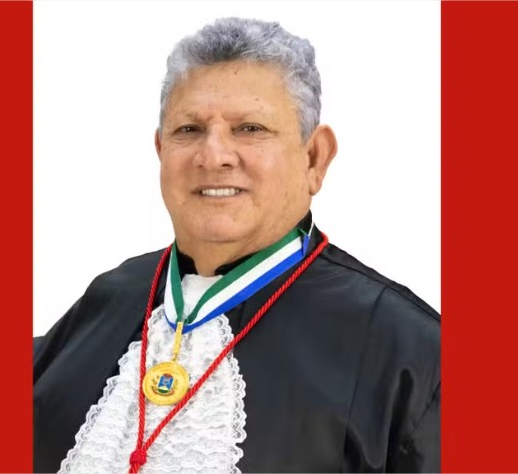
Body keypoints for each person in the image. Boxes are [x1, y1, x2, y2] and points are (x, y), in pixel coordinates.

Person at [34, 17, 440, 474]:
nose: (214, 156)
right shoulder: (106, 298)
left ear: (314, 158)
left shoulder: (412, 355)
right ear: (161, 150)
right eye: (189, 130)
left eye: (250, 128)